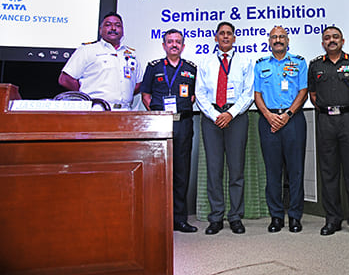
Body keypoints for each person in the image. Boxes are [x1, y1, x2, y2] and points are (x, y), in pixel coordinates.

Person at [308, 26, 349, 237]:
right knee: (329, 173)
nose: (331, 40)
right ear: (323, 43)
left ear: (342, 40)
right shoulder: (315, 65)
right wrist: (329, 110)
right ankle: (332, 220)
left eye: (335, 37)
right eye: (327, 38)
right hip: (326, 121)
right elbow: (313, 95)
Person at [196, 22, 254, 235]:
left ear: (234, 38)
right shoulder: (205, 62)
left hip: (236, 117)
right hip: (211, 118)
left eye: (229, 33)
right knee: (214, 170)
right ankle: (216, 217)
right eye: (222, 33)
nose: (226, 37)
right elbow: (200, 94)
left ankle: (236, 216)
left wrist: (230, 113)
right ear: (216, 37)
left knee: (236, 170)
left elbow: (248, 93)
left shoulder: (245, 61)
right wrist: (215, 115)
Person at [140, 29, 198, 233]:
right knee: (158, 172)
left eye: (178, 42)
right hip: (160, 124)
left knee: (181, 172)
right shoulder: (153, 67)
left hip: (183, 123)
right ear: (164, 45)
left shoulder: (191, 68)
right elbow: (145, 95)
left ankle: (180, 219)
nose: (174, 45)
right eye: (170, 41)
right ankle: (158, 218)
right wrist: (156, 116)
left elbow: (193, 97)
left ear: (183, 46)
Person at [254, 26, 308, 233]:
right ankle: (276, 216)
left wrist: (288, 115)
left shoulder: (299, 62)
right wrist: (269, 115)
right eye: (274, 37)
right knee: (272, 171)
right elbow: (257, 94)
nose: (278, 40)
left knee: (295, 171)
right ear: (269, 41)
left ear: (288, 40)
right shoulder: (260, 65)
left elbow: (303, 91)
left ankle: (295, 216)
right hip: (268, 120)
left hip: (293, 120)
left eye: (281, 37)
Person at [59, 12, 142, 110]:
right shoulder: (87, 50)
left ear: (123, 31)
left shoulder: (131, 54)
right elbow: (65, 79)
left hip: (125, 111)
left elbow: (137, 84)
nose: (113, 28)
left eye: (117, 25)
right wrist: (86, 95)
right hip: (97, 109)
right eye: (108, 25)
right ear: (100, 30)